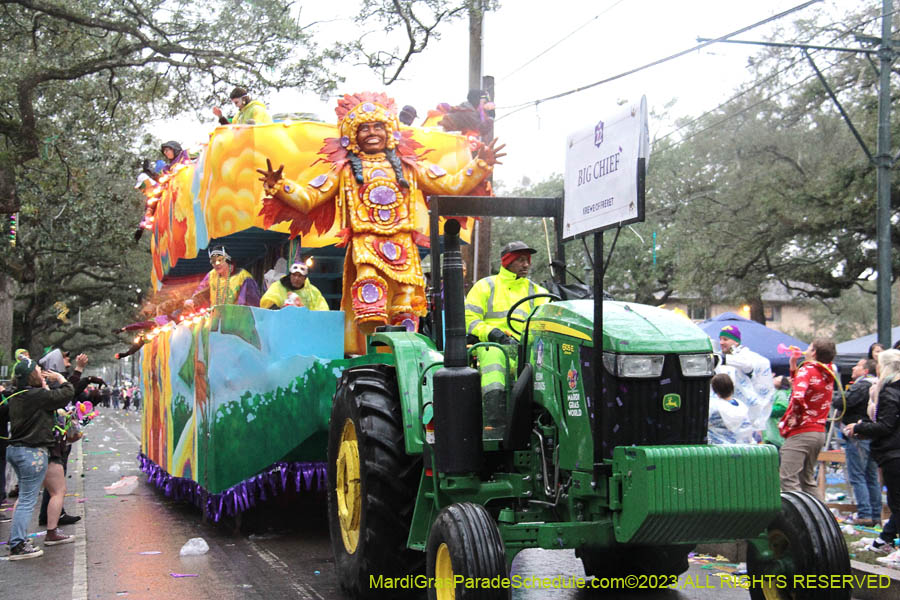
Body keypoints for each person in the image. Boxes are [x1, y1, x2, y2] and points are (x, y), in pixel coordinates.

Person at [258, 91, 503, 354]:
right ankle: (370, 358)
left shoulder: (410, 166)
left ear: (390, 132)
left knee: (407, 307)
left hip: (403, 246)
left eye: (378, 126)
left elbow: (449, 186)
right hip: (366, 243)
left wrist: (480, 166)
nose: (372, 132)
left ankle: (403, 358)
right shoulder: (346, 170)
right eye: (364, 128)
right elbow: (310, 198)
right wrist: (281, 186)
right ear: (352, 136)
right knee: (370, 303)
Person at [465, 241, 549, 438]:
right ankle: (494, 422)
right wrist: (495, 334)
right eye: (520, 260)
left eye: (527, 260)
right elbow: (469, 320)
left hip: (526, 348)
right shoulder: (485, 286)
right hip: (492, 345)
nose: (526, 264)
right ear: (507, 262)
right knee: (494, 359)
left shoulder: (537, 292)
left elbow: (547, 319)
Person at [5, 358, 74, 559]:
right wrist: (61, 378)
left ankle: (16, 538)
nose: (41, 371)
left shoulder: (17, 395)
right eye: (37, 370)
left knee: (24, 497)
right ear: (32, 376)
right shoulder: (37, 396)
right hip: (32, 452)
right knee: (27, 499)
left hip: (15, 449)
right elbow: (66, 394)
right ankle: (18, 544)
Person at [844, 349, 900, 554]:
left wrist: (858, 428)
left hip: (893, 452)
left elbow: (886, 425)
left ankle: (890, 542)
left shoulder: (889, 391)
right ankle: (884, 539)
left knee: (896, 501)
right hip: (893, 451)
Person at [778, 338, 837, 499]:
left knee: (788, 478)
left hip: (802, 431)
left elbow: (798, 396)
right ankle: (822, 519)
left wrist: (794, 418)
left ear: (814, 353)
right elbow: (807, 385)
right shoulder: (828, 371)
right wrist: (793, 365)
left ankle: (799, 519)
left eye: (809, 347)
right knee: (807, 479)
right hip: (818, 432)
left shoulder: (807, 370)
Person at [836, 358, 882, 526]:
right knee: (871, 476)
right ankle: (876, 514)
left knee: (858, 476)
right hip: (873, 434)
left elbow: (841, 402)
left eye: (857, 365)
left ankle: (865, 513)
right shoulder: (878, 384)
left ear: (865, 371)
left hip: (858, 434)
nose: (853, 368)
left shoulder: (861, 386)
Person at [716, 325, 776, 435]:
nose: (721, 342)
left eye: (725, 339)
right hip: (727, 414)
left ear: (736, 341)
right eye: (720, 339)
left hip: (747, 416)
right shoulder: (722, 358)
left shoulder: (746, 356)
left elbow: (747, 365)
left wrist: (724, 359)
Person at [184, 245, 261, 310]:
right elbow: (201, 292)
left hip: (236, 321)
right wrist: (193, 301)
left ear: (227, 260)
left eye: (219, 260)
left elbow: (252, 304)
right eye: (213, 261)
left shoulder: (243, 277)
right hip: (216, 319)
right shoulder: (212, 275)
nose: (216, 264)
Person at [260, 261, 329, 310]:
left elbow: (323, 311)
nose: (296, 278)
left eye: (300, 276)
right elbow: (266, 305)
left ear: (305, 278)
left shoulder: (312, 291)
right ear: (290, 275)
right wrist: (280, 310)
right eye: (294, 275)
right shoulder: (278, 287)